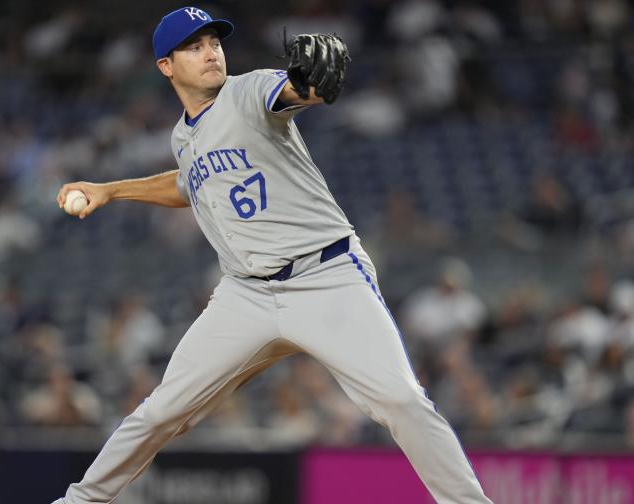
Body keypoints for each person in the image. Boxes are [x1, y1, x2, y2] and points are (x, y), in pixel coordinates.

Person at [52, 7, 492, 503]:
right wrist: (111, 190)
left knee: (401, 400)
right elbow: (188, 182)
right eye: (193, 46)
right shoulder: (184, 136)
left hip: (323, 275)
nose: (210, 51)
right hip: (246, 295)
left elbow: (297, 91)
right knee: (159, 412)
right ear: (165, 67)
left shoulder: (246, 91)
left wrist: (313, 84)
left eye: (214, 42)